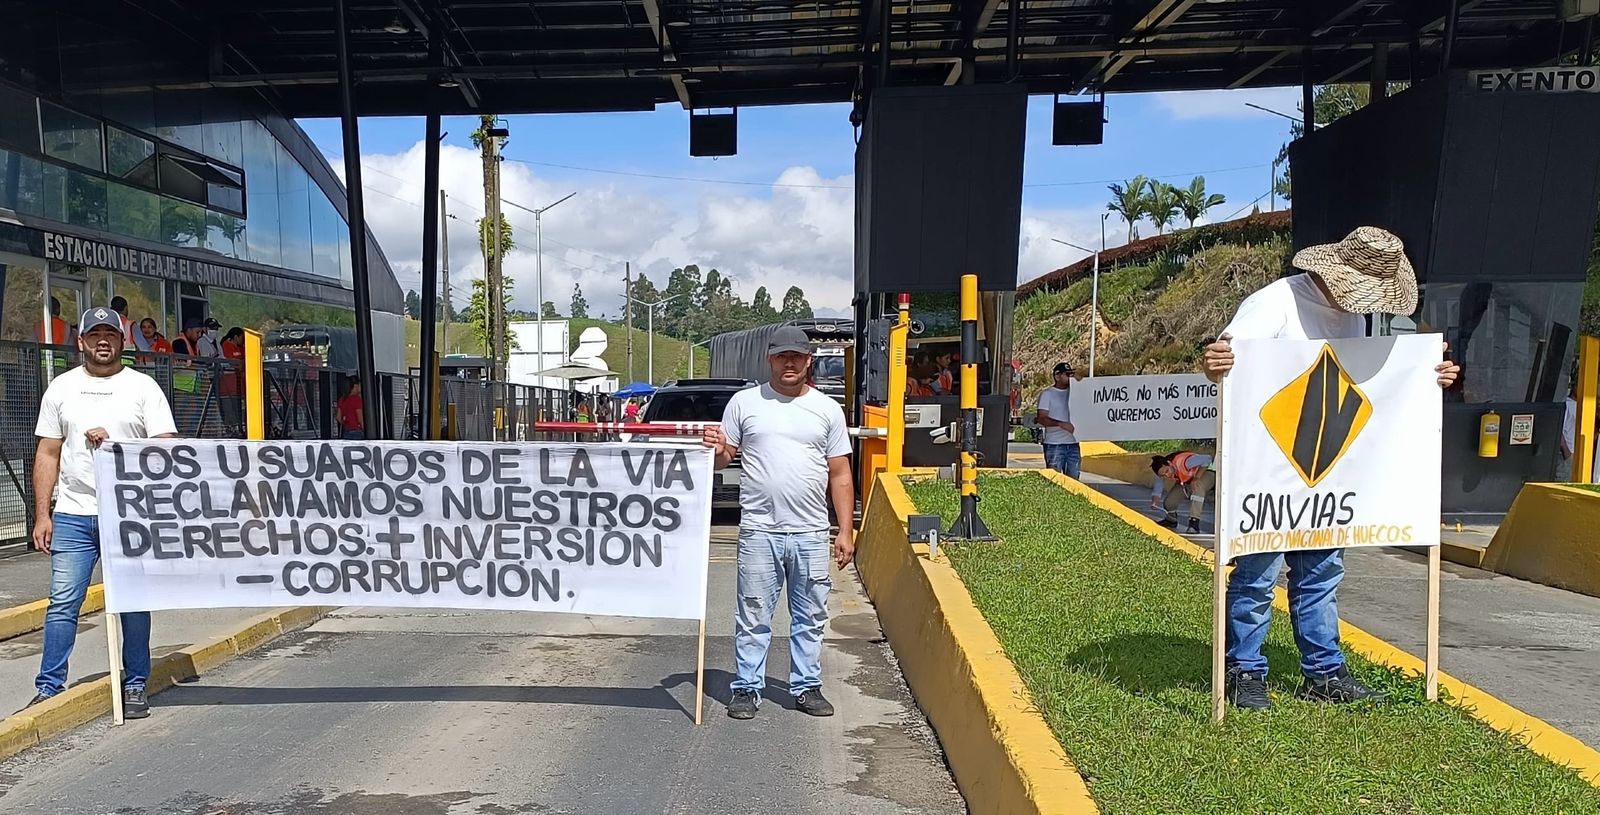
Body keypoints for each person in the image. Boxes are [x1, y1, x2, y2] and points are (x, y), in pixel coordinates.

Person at [1202, 226, 1460, 711]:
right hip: (1268, 473)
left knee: (1321, 573)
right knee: (1256, 575)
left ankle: (1324, 673)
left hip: (1329, 471)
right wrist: (1214, 364)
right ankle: (1243, 671)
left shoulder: (1362, 323)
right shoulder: (1273, 304)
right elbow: (1224, 370)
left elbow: (1379, 385)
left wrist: (1431, 378)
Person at [26, 306, 177, 718]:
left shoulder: (143, 388)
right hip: (74, 515)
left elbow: (167, 449)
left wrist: (116, 448)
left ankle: (135, 684)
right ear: (82, 342)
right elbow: (47, 453)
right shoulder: (61, 388)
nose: (103, 341)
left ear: (123, 342)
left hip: (128, 516)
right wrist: (44, 514)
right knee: (62, 603)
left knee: (131, 602)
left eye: (111, 334)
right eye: (95, 335)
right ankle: (49, 686)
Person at [702, 325, 854, 720]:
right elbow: (724, 457)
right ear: (769, 359)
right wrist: (716, 449)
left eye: (797, 357)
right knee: (752, 615)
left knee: (810, 615)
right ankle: (747, 688)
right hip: (758, 530)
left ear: (808, 361)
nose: (789, 362)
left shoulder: (826, 410)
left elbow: (840, 473)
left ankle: (806, 686)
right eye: (782, 356)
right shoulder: (744, 403)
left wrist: (845, 530)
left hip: (810, 532)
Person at [1149, 451, 1215, 533]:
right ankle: (1171, 520)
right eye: (1163, 475)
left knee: (1197, 487)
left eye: (1167, 471)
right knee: (1169, 502)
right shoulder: (1161, 471)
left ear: (1169, 463)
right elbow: (1158, 487)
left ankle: (1194, 523)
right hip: (1187, 481)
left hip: (1207, 473)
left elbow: (1207, 459)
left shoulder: (1185, 462)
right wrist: (1155, 500)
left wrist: (1197, 477)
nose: (1167, 475)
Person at [1035, 362, 1080, 479]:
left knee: (1074, 479)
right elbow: (1042, 418)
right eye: (1067, 374)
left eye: (1071, 374)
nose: (1070, 377)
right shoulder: (1047, 394)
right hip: (1054, 444)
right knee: (1054, 479)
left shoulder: (1076, 393)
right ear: (1057, 376)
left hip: (1073, 443)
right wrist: (1060, 424)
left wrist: (1080, 382)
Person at [218, 327, 245, 434]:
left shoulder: (240, 348)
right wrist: (240, 364)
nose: (242, 340)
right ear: (235, 337)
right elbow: (232, 363)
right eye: (241, 338)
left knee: (239, 410)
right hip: (228, 386)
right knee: (230, 410)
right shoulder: (226, 345)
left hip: (238, 386)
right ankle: (230, 430)